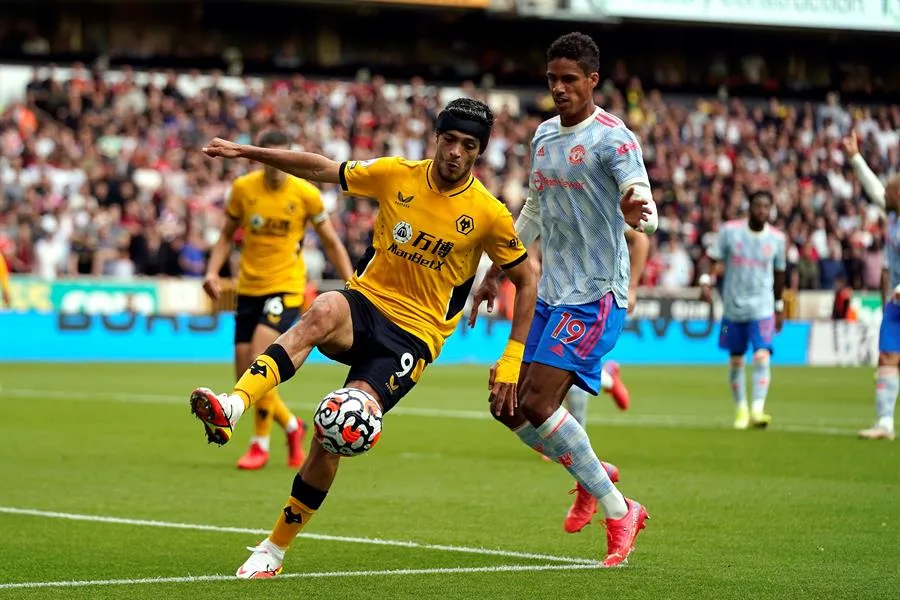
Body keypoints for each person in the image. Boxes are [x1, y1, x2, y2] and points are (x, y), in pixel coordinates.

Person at [193, 98, 540, 578]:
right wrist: (247, 152)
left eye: (469, 146)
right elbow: (320, 167)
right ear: (436, 138)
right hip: (365, 303)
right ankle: (234, 405)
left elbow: (529, 278)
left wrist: (511, 361)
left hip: (413, 337)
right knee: (323, 308)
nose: (456, 153)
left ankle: (273, 549)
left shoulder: (488, 213)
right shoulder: (395, 174)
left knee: (337, 427)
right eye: (450, 140)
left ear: (478, 153)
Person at [469, 32, 657, 568]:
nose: (559, 88)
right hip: (550, 291)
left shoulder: (614, 140)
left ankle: (620, 509)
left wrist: (634, 207)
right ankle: (590, 474)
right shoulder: (544, 137)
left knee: (535, 403)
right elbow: (534, 207)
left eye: (569, 79)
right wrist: (497, 270)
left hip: (597, 294)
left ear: (592, 80)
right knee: (504, 405)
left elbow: (646, 206)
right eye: (552, 79)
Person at [203, 129, 354, 470]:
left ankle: (260, 444)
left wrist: (350, 281)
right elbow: (227, 235)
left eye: (280, 156)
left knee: (260, 355)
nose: (274, 164)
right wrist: (212, 272)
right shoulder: (243, 190)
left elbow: (330, 241)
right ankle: (291, 425)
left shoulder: (306, 193)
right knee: (246, 372)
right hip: (248, 287)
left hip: (285, 286)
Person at [699, 190, 786, 430]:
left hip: (763, 307)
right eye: (757, 206)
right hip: (732, 309)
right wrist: (706, 280)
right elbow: (711, 258)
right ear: (750, 208)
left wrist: (779, 306)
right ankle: (741, 410)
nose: (761, 211)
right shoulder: (730, 232)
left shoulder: (777, 239)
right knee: (736, 360)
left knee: (761, 355)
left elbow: (780, 275)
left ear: (770, 210)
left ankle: (757, 409)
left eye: (766, 207)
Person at [842, 132, 900, 441]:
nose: (884, 197)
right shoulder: (893, 215)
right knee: (887, 358)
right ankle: (885, 424)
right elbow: (873, 186)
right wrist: (854, 157)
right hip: (895, 303)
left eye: (890, 193)